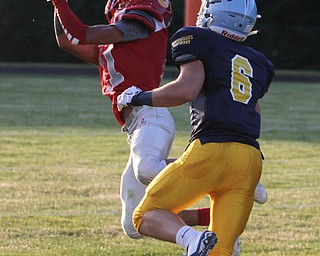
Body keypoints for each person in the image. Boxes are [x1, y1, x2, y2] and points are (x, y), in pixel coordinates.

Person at [50, 0, 220, 241]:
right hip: (136, 126)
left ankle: (220, 174)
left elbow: (81, 33)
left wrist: (60, 3)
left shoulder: (142, 23)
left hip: (150, 116)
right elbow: (66, 41)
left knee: (148, 168)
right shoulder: (121, 46)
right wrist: (57, 7)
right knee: (134, 223)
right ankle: (214, 220)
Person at [117, 0, 274, 255]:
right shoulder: (259, 62)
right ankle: (202, 243)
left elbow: (186, 89)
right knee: (221, 251)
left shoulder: (197, 38)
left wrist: (139, 97)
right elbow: (253, 109)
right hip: (250, 160)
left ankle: (191, 239)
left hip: (211, 150)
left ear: (215, 13)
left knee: (145, 216)